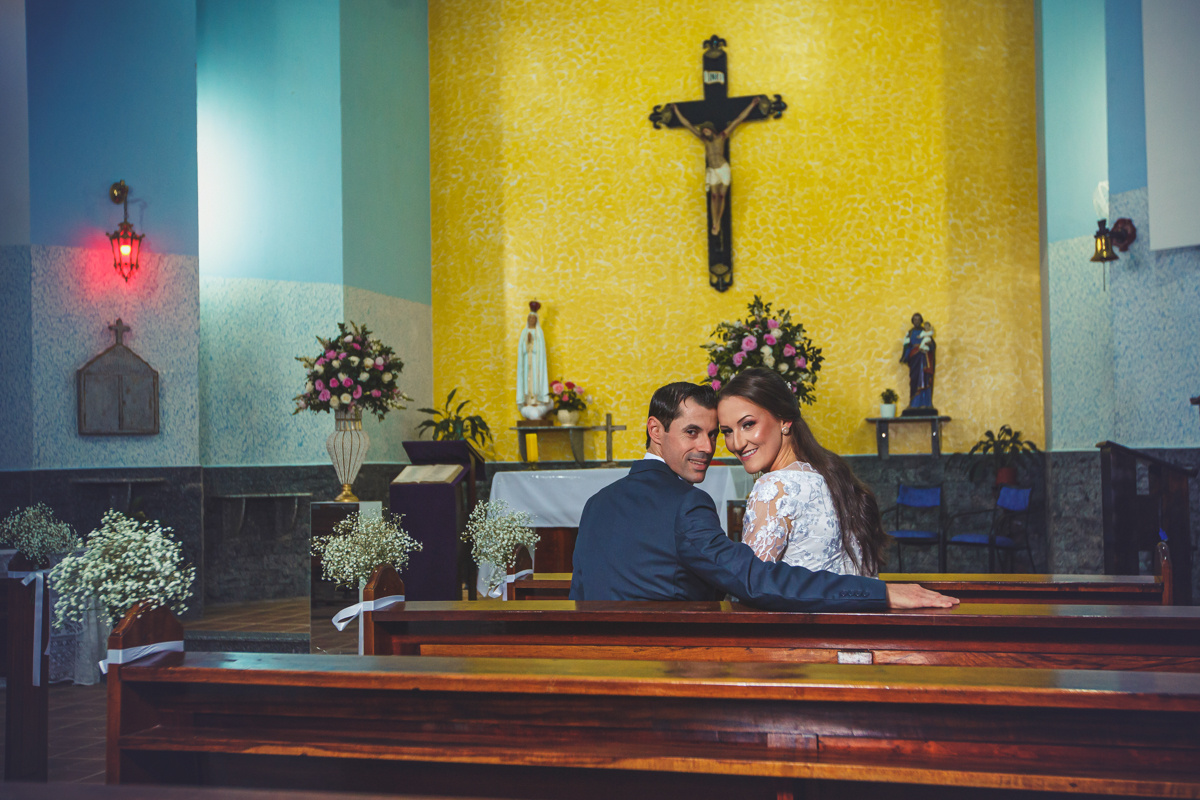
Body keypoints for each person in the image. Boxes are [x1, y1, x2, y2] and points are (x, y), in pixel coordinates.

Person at [569, 381, 957, 611]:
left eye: (713, 434)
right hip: (667, 670)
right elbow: (754, 580)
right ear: (656, 431)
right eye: (692, 433)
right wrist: (878, 593)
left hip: (595, 663)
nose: (708, 447)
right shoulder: (687, 503)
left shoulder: (596, 503)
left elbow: (579, 594)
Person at [718, 368, 889, 577]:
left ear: (784, 419)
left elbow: (750, 583)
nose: (736, 444)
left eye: (748, 424)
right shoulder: (830, 475)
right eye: (727, 432)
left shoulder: (774, 488)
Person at [672, 98, 761, 236]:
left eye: (707, 130)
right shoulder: (704, 140)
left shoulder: (722, 137)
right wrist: (676, 110)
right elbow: (687, 124)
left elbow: (738, 120)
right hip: (713, 170)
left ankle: (718, 220)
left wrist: (752, 104)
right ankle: (715, 222)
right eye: (703, 131)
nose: (705, 132)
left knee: (721, 195)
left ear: (712, 130)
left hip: (723, 168)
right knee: (713, 196)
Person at [516, 300, 552, 420]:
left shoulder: (538, 332)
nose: (531, 320)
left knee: (535, 379)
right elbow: (521, 349)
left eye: (533, 319)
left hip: (536, 361)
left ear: (536, 320)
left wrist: (533, 342)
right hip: (527, 361)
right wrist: (527, 342)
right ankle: (527, 400)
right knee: (527, 380)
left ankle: (536, 400)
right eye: (530, 318)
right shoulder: (524, 332)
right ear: (528, 320)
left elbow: (540, 349)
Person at [901, 312, 936, 410]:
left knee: (925, 379)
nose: (917, 321)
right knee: (914, 380)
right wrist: (905, 356)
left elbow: (932, 345)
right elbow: (906, 346)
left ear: (921, 321)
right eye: (915, 319)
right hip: (914, 360)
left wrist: (929, 345)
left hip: (924, 358)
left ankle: (926, 403)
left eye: (918, 319)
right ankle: (914, 403)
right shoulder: (910, 333)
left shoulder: (925, 331)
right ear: (912, 321)